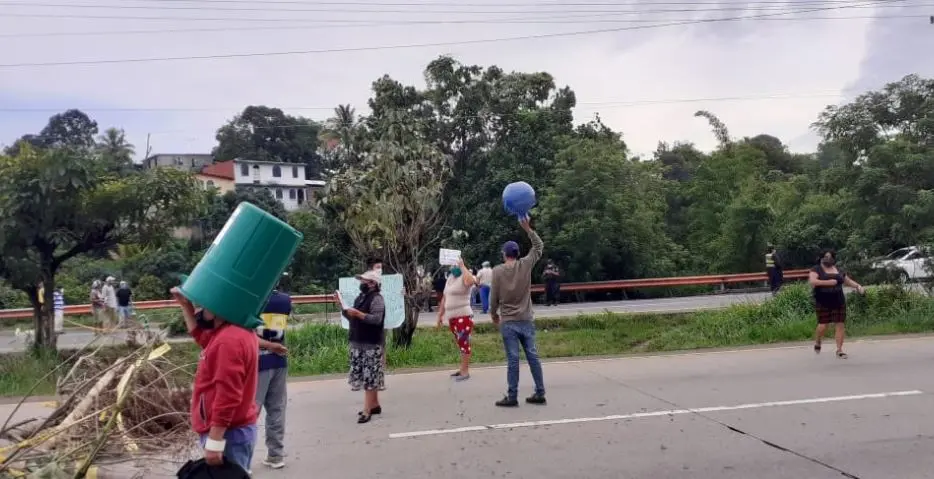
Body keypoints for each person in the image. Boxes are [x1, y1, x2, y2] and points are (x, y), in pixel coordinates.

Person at [170, 287, 259, 474]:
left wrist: (215, 440)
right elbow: (200, 337)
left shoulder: (228, 340)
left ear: (221, 307)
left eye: (205, 306)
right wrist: (186, 306)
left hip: (229, 434)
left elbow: (228, 394)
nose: (201, 311)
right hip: (233, 430)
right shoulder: (231, 332)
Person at [490, 217, 546, 408]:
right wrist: (527, 228)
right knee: (532, 355)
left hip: (509, 321)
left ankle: (512, 396)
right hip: (526, 318)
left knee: (513, 359)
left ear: (505, 254)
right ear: (517, 253)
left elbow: (493, 297)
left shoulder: (497, 271)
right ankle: (540, 392)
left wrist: (493, 314)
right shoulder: (525, 265)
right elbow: (539, 247)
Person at [255, 276, 291, 470]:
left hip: (257, 361)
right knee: (276, 409)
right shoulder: (285, 300)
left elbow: (247, 335)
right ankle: (276, 455)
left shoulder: (252, 300)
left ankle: (243, 460)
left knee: (251, 411)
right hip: (279, 359)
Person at [341, 269, 386, 424]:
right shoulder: (361, 297)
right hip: (357, 340)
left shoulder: (377, 299)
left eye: (364, 281)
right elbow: (352, 318)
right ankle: (374, 405)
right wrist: (344, 309)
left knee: (369, 377)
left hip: (370, 343)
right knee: (367, 375)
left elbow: (376, 319)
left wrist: (359, 314)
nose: (361, 283)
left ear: (373, 283)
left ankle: (367, 410)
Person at [809, 250, 865, 359]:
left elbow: (847, 281)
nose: (828, 259)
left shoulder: (838, 270)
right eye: (825, 257)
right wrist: (828, 283)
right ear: (821, 258)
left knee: (840, 324)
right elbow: (813, 281)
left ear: (834, 259)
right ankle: (818, 340)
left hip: (838, 300)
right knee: (823, 325)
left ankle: (839, 350)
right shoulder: (816, 269)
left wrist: (858, 286)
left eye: (830, 257)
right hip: (823, 301)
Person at [437, 257, 477, 381]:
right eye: (452, 266)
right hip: (452, 317)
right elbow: (445, 297)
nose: (453, 268)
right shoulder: (450, 278)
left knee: (464, 343)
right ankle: (462, 369)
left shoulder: (466, 275)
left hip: (463, 316)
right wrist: (440, 315)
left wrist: (462, 266)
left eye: (455, 265)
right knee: (460, 343)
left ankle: (465, 372)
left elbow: (471, 281)